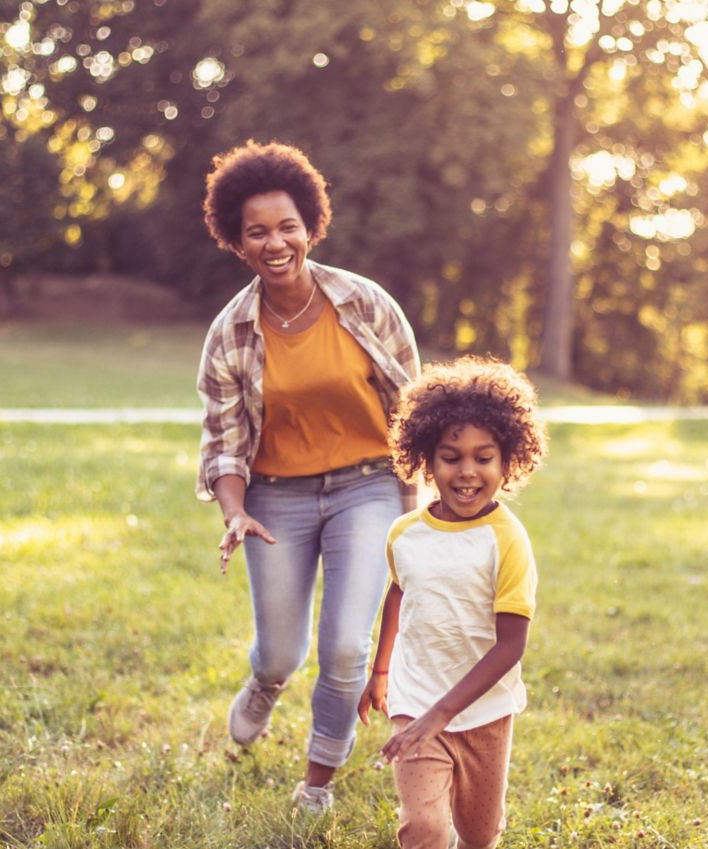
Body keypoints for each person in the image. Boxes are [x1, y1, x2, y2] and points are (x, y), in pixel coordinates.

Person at [195, 140, 421, 814]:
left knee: (346, 645)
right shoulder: (230, 332)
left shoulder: (365, 302)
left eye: (287, 226)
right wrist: (234, 510)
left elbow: (416, 407)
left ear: (310, 225)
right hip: (276, 497)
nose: (275, 242)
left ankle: (315, 783)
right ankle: (264, 684)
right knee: (282, 653)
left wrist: (432, 497)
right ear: (236, 241)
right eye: (257, 231)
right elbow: (224, 444)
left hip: (368, 485)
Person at [358, 357, 548, 849]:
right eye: (451, 456)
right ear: (426, 460)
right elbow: (399, 593)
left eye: (483, 458)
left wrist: (443, 714)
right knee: (424, 828)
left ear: (507, 463)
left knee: (479, 837)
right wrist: (381, 673)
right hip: (416, 696)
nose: (467, 472)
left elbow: (511, 646)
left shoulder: (507, 540)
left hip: (485, 712)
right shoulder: (405, 532)